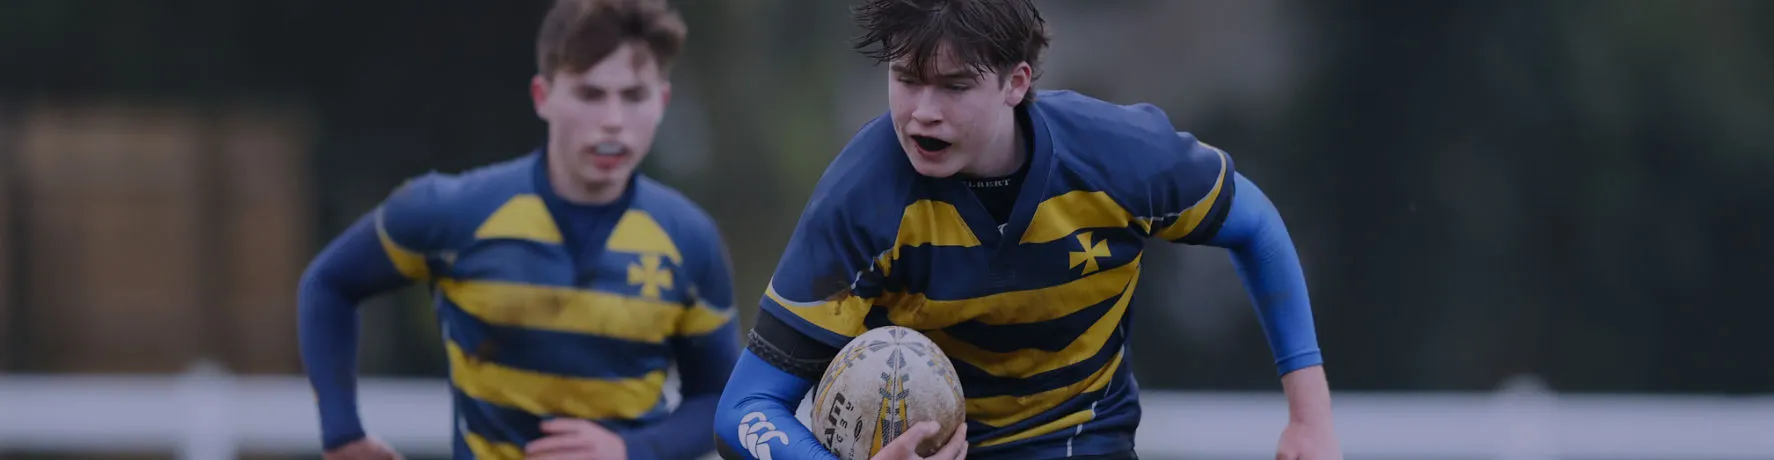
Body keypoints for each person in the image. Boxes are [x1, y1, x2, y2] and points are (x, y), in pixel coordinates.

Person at [712, 1, 1341, 459]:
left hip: (1085, 441)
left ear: (1017, 82)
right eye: (906, 79)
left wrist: (1311, 421)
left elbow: (1254, 226)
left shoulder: (1121, 158)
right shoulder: (859, 204)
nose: (922, 112)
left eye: (954, 86)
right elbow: (744, 410)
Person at [296, 0, 738, 458]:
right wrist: (342, 432)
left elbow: (720, 399)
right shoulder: (451, 213)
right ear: (542, 97)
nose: (613, 120)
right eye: (590, 94)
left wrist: (633, 450)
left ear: (662, 101)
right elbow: (328, 285)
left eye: (633, 96)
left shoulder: (690, 239)